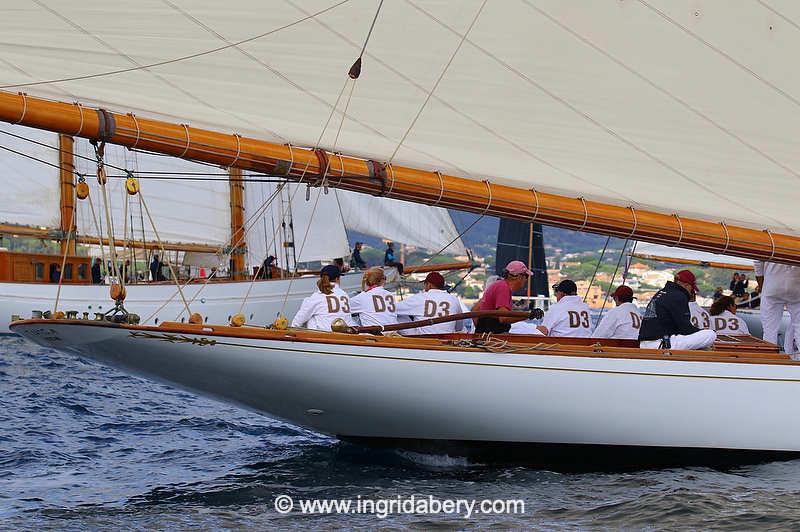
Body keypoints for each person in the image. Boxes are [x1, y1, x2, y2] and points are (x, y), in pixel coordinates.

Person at [638, 270, 717, 350]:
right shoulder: (679, 296)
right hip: (662, 344)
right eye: (692, 289)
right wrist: (700, 331)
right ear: (687, 286)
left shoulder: (661, 292)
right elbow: (686, 329)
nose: (691, 292)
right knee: (711, 334)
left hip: (645, 343)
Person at [473, 260, 541, 334]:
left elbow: (474, 310)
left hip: (489, 336)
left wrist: (480, 332)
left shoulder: (498, 285)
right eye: (526, 276)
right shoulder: (503, 288)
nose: (526, 280)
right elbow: (504, 318)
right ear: (518, 276)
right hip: (493, 338)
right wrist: (529, 315)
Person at [395, 272, 464, 335]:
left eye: (425, 285)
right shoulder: (454, 299)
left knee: (398, 316)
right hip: (447, 339)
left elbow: (393, 309)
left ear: (429, 285)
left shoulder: (420, 297)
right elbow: (459, 327)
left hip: (422, 339)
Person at [754, 261, 800, 353]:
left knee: (770, 329)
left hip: (772, 284)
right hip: (796, 285)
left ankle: (769, 358)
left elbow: (758, 262)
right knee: (799, 326)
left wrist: (763, 287)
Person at [291, 264, 354, 331]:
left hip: (324, 336)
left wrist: (292, 331)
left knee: (310, 315)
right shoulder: (344, 295)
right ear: (337, 278)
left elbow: (299, 319)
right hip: (346, 334)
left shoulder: (316, 297)